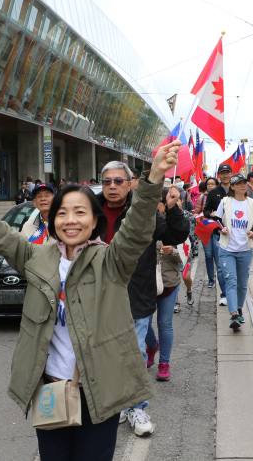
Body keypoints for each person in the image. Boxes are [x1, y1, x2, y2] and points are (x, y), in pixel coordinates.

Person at [0, 140, 182, 461]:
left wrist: (154, 178)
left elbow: (136, 229)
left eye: (80, 212)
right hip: (51, 392)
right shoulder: (37, 258)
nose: (70, 220)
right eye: (62, 213)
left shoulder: (112, 261)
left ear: (94, 220)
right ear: (53, 221)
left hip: (99, 393)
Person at [97, 160, 189, 438]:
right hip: (98, 296)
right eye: (107, 181)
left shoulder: (143, 209)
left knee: (134, 353)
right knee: (103, 355)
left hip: (135, 293)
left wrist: (172, 207)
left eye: (118, 181)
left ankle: (136, 406)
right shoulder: (89, 208)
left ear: (129, 184)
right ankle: (115, 402)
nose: (113, 186)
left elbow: (176, 234)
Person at [145, 186, 187, 381]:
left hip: (169, 281)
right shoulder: (144, 219)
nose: (160, 206)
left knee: (164, 322)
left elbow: (184, 258)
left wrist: (174, 252)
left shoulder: (178, 221)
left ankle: (164, 363)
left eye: (164, 202)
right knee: (142, 322)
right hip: (144, 281)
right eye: (158, 202)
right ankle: (152, 345)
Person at [214, 174, 253, 331]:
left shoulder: (252, 203)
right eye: (238, 184)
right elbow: (217, 219)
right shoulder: (225, 202)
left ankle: (239, 308)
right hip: (227, 249)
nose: (242, 186)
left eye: (244, 183)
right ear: (232, 187)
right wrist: (223, 228)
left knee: (242, 284)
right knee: (231, 281)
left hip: (245, 250)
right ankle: (233, 314)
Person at [204, 165, 233, 304]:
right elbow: (206, 211)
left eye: (227, 173)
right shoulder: (213, 192)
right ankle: (225, 294)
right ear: (219, 175)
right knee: (221, 267)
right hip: (219, 234)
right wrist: (211, 213)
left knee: (235, 266)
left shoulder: (237, 190)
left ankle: (234, 292)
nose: (225, 175)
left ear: (231, 174)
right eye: (223, 173)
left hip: (237, 235)